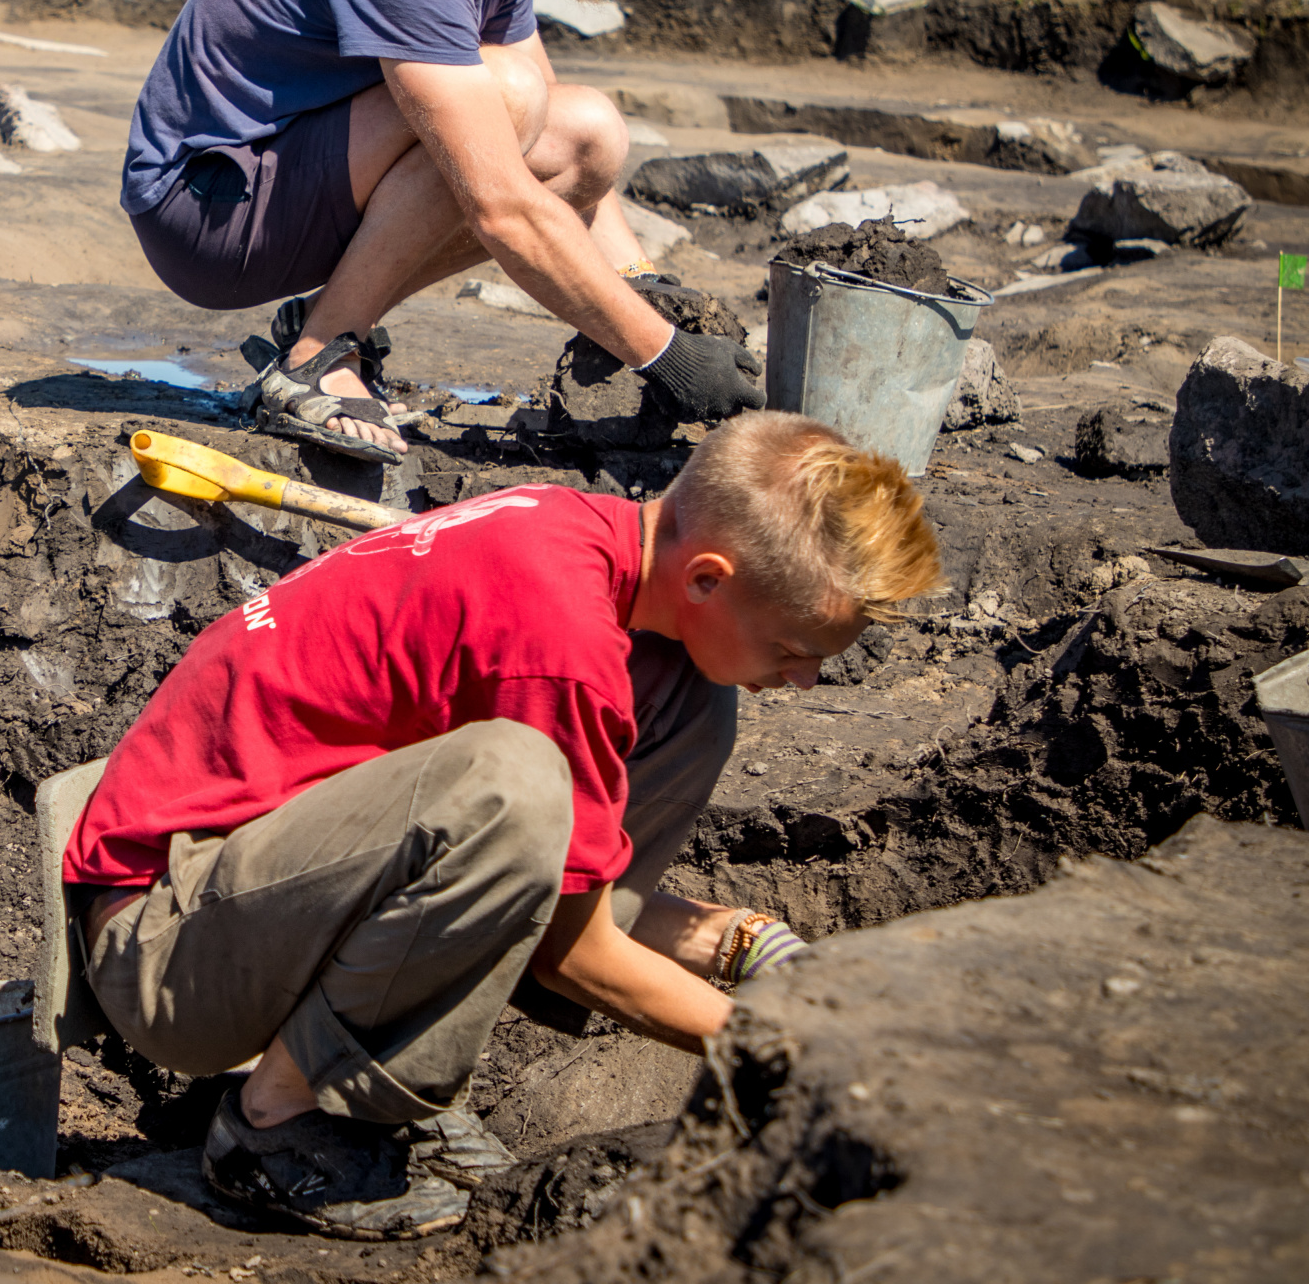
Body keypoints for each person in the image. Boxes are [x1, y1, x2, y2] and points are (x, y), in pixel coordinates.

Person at [61, 412, 941, 1237]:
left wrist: (745, 943)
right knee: (510, 788)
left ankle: (372, 1088)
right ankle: (274, 1123)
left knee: (684, 705)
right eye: (794, 652)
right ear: (707, 577)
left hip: (269, 891)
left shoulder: (592, 541)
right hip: (166, 949)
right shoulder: (558, 645)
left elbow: (577, 911)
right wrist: (782, 1050)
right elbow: (571, 950)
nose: (805, 683)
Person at [122, 0, 763, 465]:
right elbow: (501, 204)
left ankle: (327, 321)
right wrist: (665, 357)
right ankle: (316, 358)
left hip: (286, 182)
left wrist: (639, 282)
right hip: (209, 210)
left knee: (585, 131)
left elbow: (555, 140)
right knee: (503, 100)